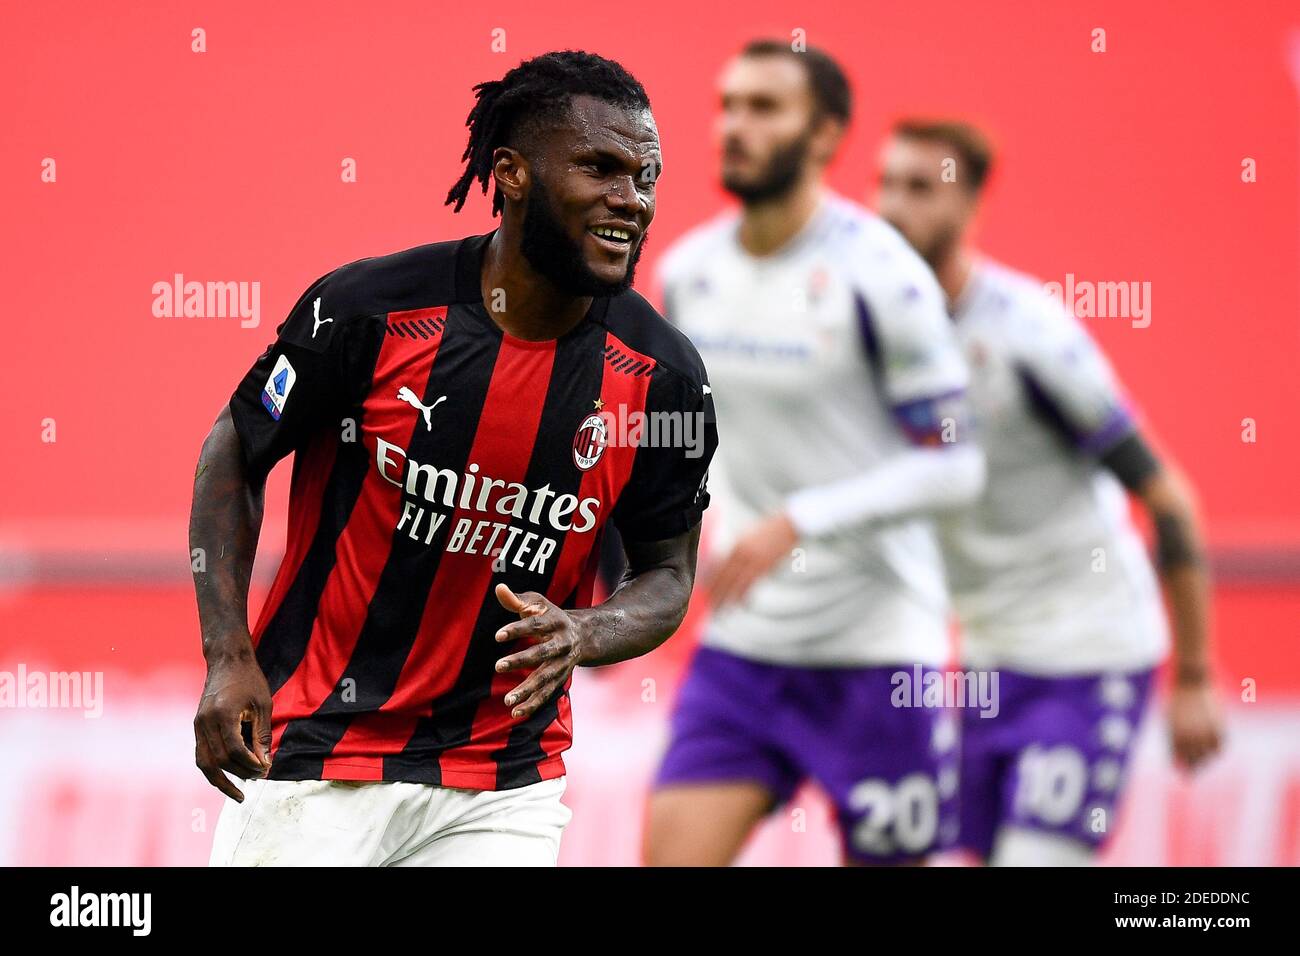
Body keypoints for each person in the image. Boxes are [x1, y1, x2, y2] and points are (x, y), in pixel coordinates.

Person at [189, 50, 717, 866]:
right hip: (321, 756)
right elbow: (234, 448)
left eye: (645, 176)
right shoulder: (368, 312)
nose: (631, 201)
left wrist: (585, 629)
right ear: (509, 172)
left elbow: (668, 578)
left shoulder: (665, 379)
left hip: (505, 787)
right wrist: (229, 658)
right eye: (600, 169)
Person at [644, 41, 984, 866]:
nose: (734, 126)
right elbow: (676, 446)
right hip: (744, 652)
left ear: (826, 133)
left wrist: (798, 521)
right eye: (728, 104)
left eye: (764, 108)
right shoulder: (689, 271)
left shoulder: (882, 276)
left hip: (875, 656)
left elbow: (956, 463)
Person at [875, 119, 1223, 865]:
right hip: (984, 669)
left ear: (970, 206)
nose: (893, 206)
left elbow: (1168, 498)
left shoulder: (1029, 334)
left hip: (1087, 655)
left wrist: (1195, 676)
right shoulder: (876, 342)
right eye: (885, 184)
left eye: (920, 187)